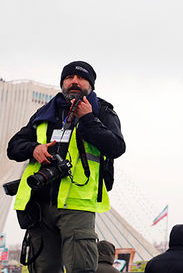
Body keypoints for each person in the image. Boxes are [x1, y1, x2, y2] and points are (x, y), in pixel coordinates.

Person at [7, 61, 126, 273]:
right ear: (62, 82)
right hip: (40, 205)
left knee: (81, 268)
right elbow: (13, 147)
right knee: (43, 269)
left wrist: (88, 119)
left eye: (81, 78)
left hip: (77, 206)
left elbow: (116, 147)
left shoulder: (103, 112)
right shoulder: (44, 113)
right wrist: (34, 148)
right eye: (69, 78)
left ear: (91, 85)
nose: (74, 82)